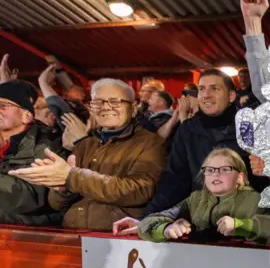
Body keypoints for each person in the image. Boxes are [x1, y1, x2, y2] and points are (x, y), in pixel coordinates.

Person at [9, 78, 167, 231]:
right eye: (98, 102)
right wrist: (62, 189)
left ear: (133, 109)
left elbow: (140, 191)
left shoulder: (150, 143)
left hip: (116, 238)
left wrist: (72, 177)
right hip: (73, 236)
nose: (105, 107)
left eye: (115, 101)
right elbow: (56, 204)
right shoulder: (86, 145)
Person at [142, 69, 268, 216]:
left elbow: (269, 182)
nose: (206, 95)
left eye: (215, 89)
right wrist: (149, 217)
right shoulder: (187, 130)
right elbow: (174, 180)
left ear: (231, 96)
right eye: (201, 89)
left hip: (245, 220)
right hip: (200, 220)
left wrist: (265, 171)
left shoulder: (250, 128)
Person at [133, 148, 270, 243]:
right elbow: (147, 223)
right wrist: (166, 229)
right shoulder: (195, 199)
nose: (216, 175)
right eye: (210, 170)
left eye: (225, 169)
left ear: (240, 178)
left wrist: (241, 226)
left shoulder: (254, 199)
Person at [0, 80, 65, 226]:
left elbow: (32, 199)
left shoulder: (46, 147)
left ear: (27, 116)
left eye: (3, 106)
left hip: (28, 236)